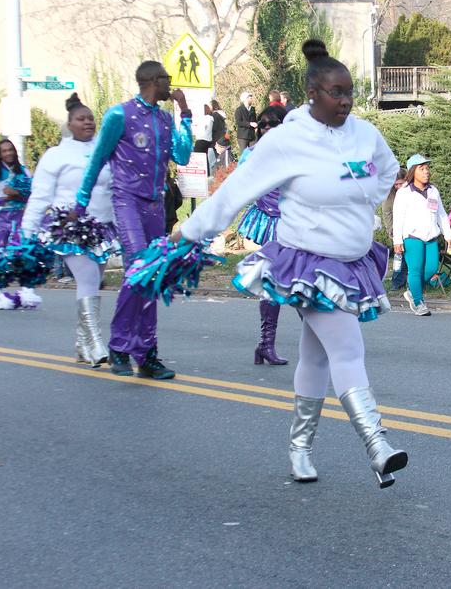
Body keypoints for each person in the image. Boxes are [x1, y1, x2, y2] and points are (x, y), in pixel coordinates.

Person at [172, 39, 406, 488]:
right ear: (312, 95)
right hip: (309, 264)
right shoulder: (285, 142)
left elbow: (388, 168)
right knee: (347, 348)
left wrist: (363, 207)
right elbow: (236, 190)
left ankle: (300, 449)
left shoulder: (363, 132)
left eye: (349, 92)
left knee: (315, 358)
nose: (346, 101)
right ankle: (377, 446)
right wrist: (191, 229)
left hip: (353, 260)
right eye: (336, 93)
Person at [75, 60, 193, 379]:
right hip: (126, 201)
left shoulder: (166, 118)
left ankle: (146, 353)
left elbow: (182, 155)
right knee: (139, 269)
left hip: (156, 204)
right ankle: (119, 345)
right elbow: (98, 158)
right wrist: (81, 201)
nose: (171, 84)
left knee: (151, 275)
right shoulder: (119, 115)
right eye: (167, 79)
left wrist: (185, 112)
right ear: (154, 81)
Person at [22, 93, 120, 366]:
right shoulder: (55, 155)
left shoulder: (105, 150)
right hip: (70, 228)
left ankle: (81, 343)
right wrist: (26, 233)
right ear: (70, 123)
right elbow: (40, 195)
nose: (88, 122)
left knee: (94, 281)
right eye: (81, 118)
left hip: (102, 228)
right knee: (88, 279)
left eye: (90, 118)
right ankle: (97, 343)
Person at [236, 111, 288, 366]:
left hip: (293, 222)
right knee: (275, 280)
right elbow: (238, 185)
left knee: (298, 280)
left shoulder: (292, 150)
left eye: (273, 123)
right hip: (269, 222)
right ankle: (266, 343)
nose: (267, 128)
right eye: (263, 124)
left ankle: (266, 345)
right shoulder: (252, 153)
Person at [392, 154, 451, 316]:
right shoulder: (404, 192)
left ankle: (412, 292)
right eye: (422, 169)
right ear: (413, 172)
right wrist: (397, 240)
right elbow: (398, 217)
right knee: (415, 270)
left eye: (427, 168)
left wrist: (448, 235)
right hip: (412, 238)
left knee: (431, 269)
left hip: (431, 237)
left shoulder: (433, 191)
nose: (426, 172)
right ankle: (419, 303)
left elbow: (441, 214)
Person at [0, 138, 38, 309]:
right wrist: (5, 198)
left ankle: (27, 293)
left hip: (20, 217)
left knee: (24, 254)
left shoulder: (25, 172)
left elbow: (32, 196)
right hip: (0, 219)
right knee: (1, 255)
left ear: (15, 152)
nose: (8, 153)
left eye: (10, 150)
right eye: (4, 151)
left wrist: (16, 194)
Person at [380, 168, 407, 290]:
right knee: (398, 256)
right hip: (396, 229)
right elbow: (386, 213)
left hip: (411, 228)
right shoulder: (389, 194)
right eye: (395, 184)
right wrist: (390, 229)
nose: (398, 186)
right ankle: (397, 282)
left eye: (400, 183)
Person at [234, 91, 257, 156]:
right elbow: (238, 122)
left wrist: (256, 125)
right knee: (243, 155)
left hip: (252, 136)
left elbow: (254, 120)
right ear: (246, 99)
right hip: (243, 136)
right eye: (250, 97)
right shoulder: (239, 110)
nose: (251, 99)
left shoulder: (252, 109)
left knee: (253, 153)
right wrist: (250, 124)